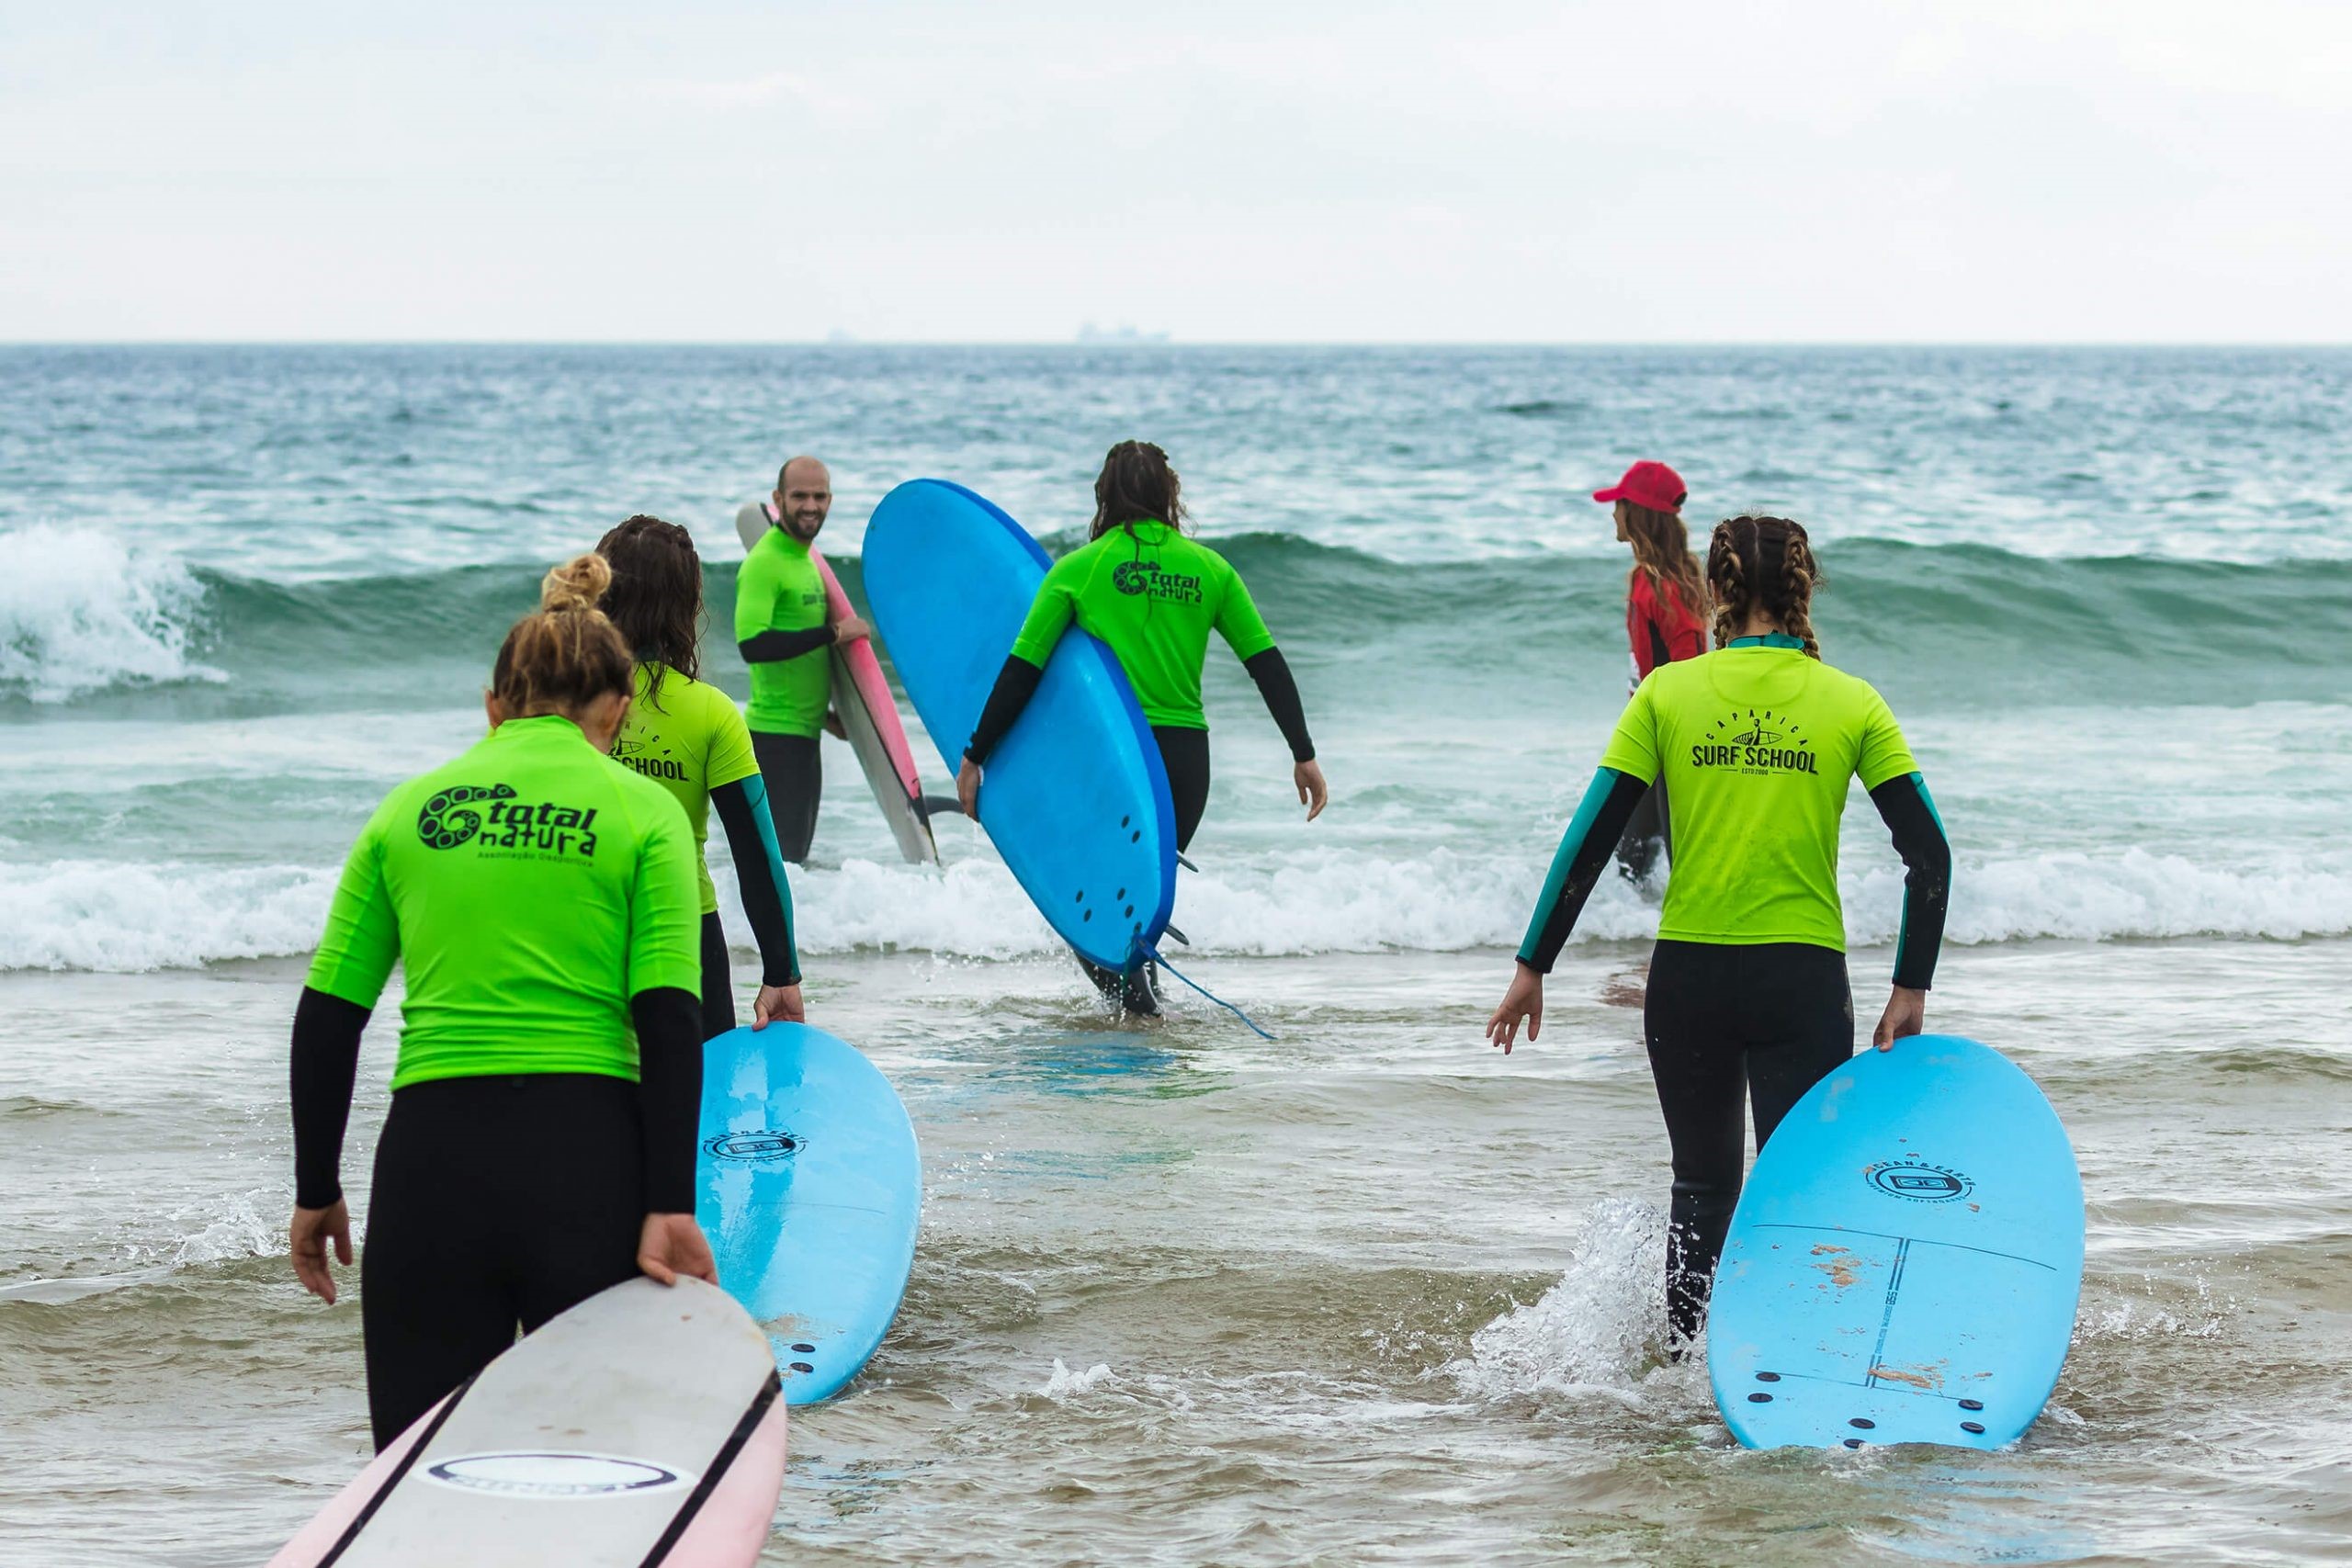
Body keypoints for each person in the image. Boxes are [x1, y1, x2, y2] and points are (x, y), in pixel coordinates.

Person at [1484, 515, 1951, 1350]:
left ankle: (1683, 1372)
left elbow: (1589, 837)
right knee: (1791, 1191)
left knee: (1700, 1186)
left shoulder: (1666, 692)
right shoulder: (1853, 700)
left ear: (1717, 591)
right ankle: (1780, 1364)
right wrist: (1910, 985)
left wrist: (1533, 964)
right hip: (1801, 981)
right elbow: (1929, 852)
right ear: (1805, 588)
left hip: (1690, 978)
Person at [287, 555, 718, 1449]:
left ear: (493, 707)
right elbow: (669, 1013)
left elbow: (330, 1013)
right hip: (591, 1165)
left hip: (430, 1173)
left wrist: (317, 1187)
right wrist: (671, 1200)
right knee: (596, 1470)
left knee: (422, 1469)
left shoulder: (406, 812)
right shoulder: (645, 814)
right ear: (620, 711)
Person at [955, 440, 1329, 1008]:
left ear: (1104, 494)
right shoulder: (1211, 569)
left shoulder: (1079, 569)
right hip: (1183, 765)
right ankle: (1145, 1019)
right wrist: (1303, 753)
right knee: (1135, 907)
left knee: (1094, 910)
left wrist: (977, 753)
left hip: (1111, 760)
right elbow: (1266, 666)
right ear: (1168, 494)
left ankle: (1142, 1019)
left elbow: (1021, 671)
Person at [597, 514, 806, 1039]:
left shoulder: (563, 700)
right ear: (686, 603)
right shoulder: (710, 712)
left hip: (582, 927)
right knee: (700, 1105)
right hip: (683, 932)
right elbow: (756, 849)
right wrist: (781, 972)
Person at [735, 456, 868, 863]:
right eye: (799, 496)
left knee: (795, 861)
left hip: (804, 734)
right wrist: (833, 633)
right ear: (778, 499)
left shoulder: (806, 560)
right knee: (784, 862)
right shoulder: (765, 562)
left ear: (830, 500)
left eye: (819, 496)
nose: (810, 505)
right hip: (773, 740)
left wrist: (828, 716)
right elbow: (752, 645)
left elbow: (798, 660)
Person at [1590, 459, 1708, 885]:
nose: (1612, 513)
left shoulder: (1667, 586)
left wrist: (1674, 743)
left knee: (1682, 862)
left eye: (1618, 504)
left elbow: (1691, 667)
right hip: (1650, 735)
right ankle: (1637, 942)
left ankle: (1693, 946)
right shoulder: (1647, 578)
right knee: (1630, 865)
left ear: (1636, 513)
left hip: (1670, 740)